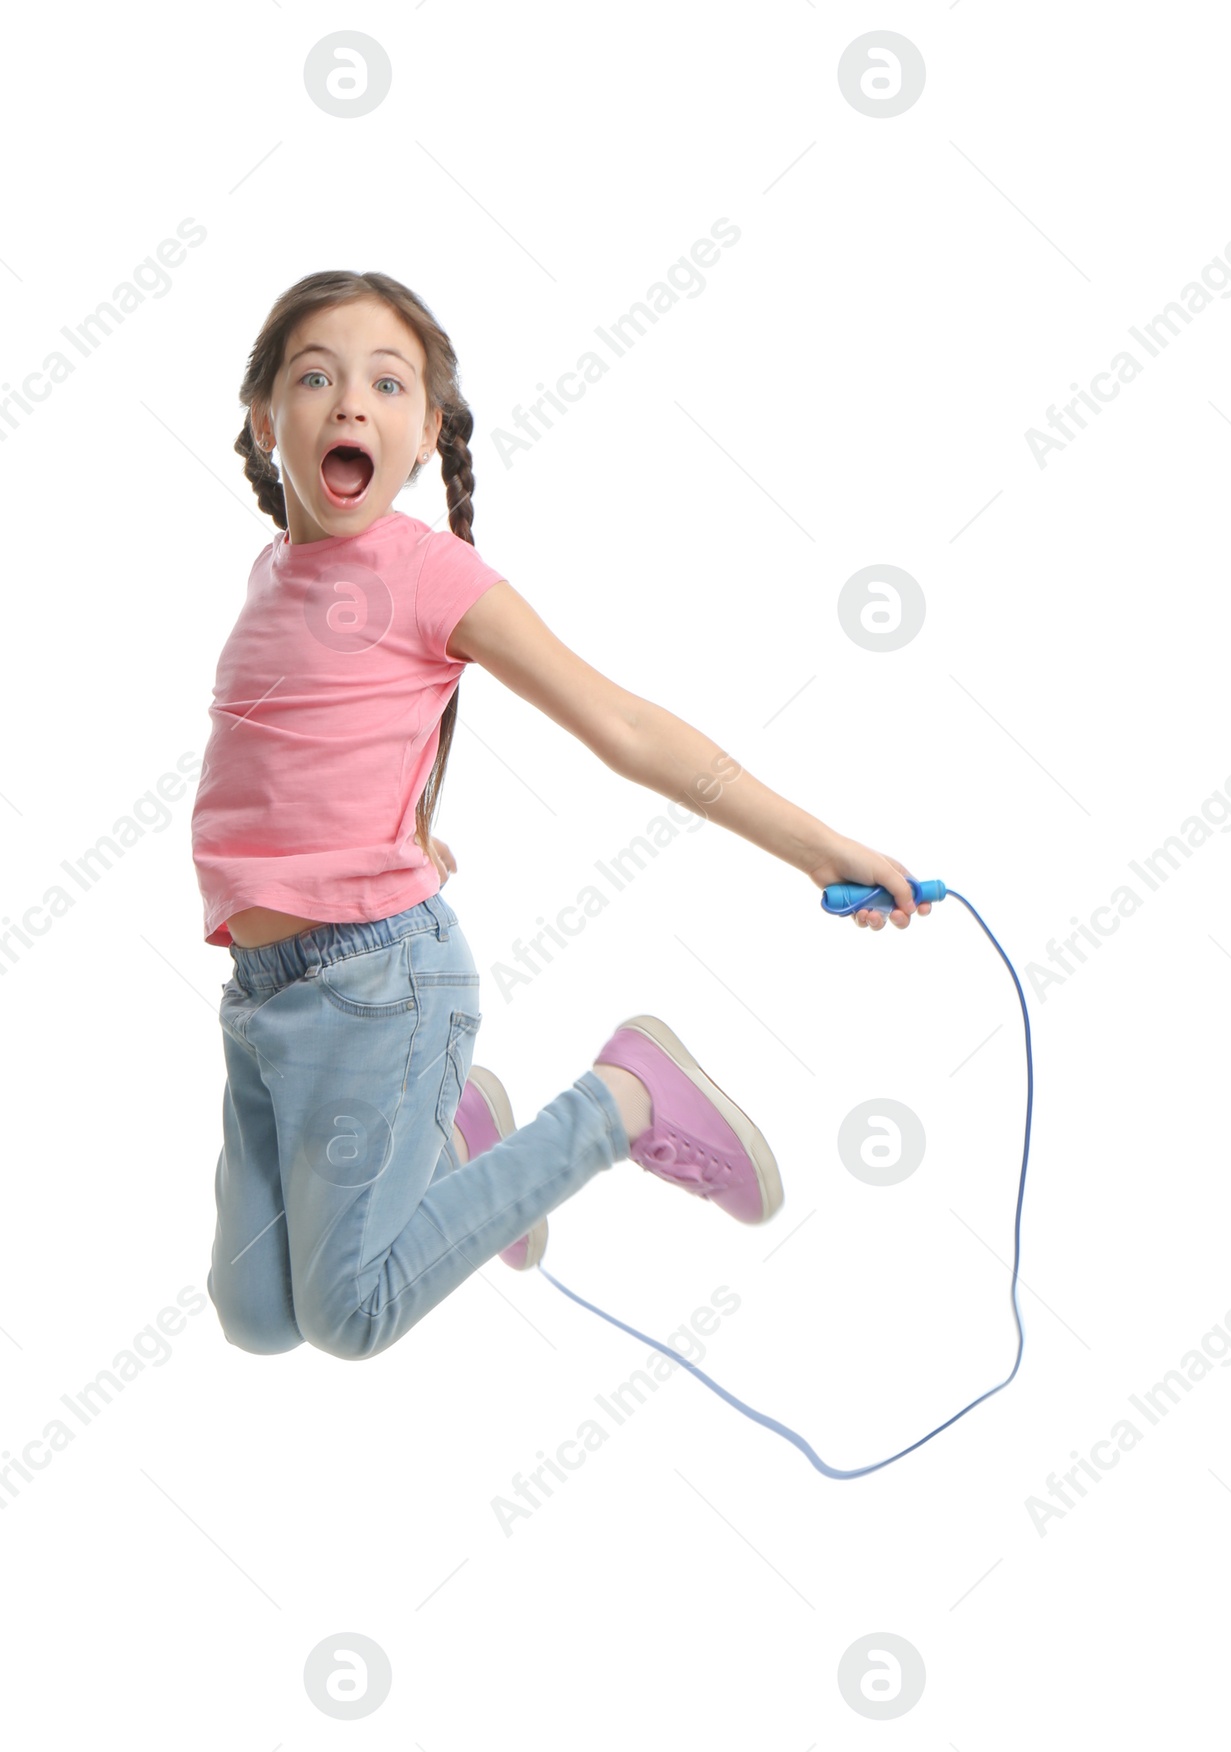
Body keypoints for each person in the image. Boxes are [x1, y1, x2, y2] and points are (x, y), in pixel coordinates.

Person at [191, 270, 931, 1363]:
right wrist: (394, 822)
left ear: (424, 431)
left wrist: (822, 848)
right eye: (316, 377)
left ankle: (621, 1101)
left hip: (376, 987)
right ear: (264, 422)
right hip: (267, 998)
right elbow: (314, 741)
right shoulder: (272, 569)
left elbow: (625, 727)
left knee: (348, 1318)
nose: (352, 403)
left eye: (388, 386)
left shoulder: (431, 572)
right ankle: (452, 1148)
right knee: (255, 1318)